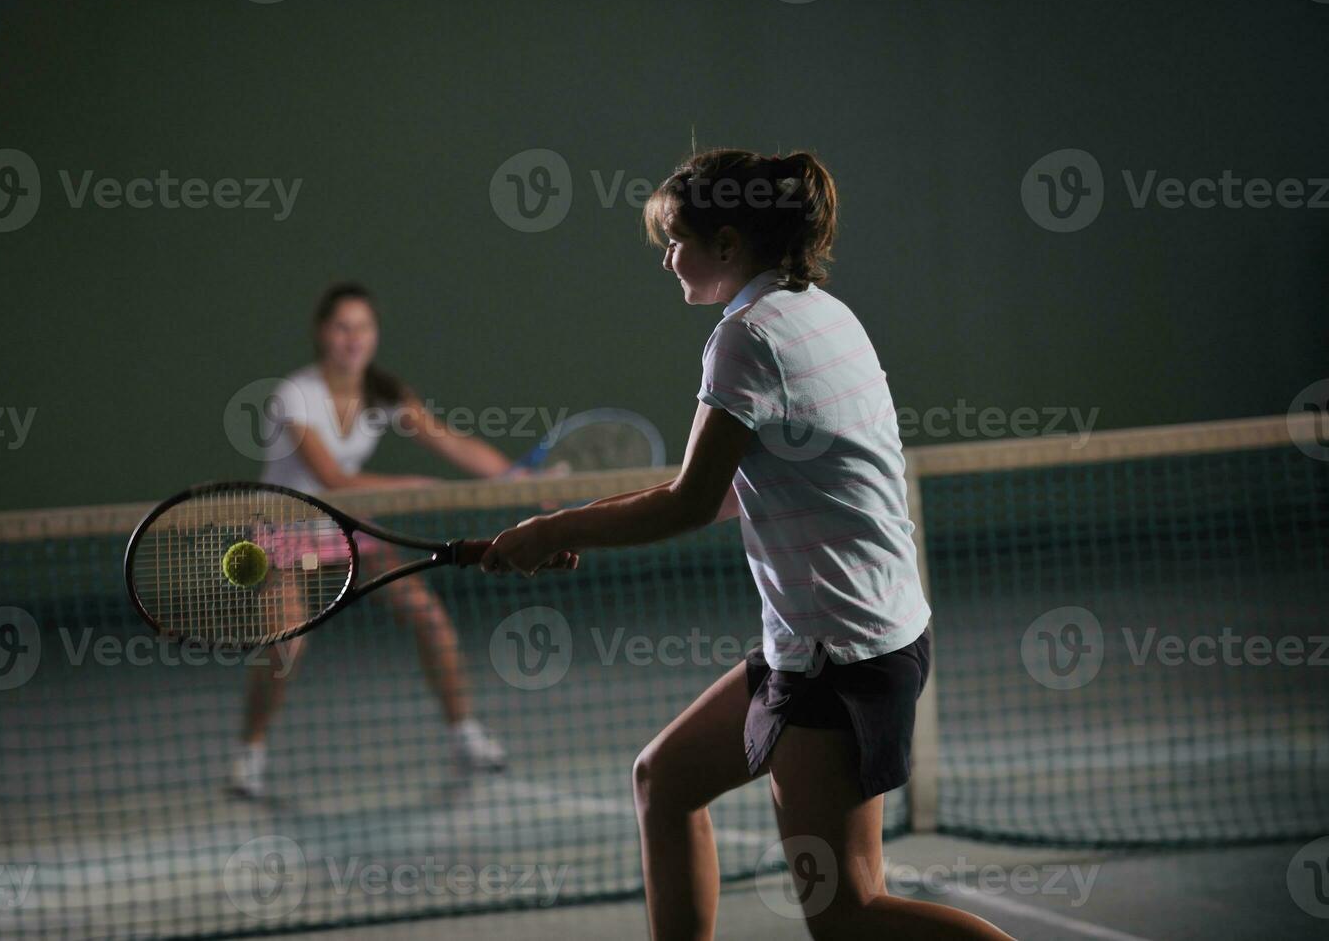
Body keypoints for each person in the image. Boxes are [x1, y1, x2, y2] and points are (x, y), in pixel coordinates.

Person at [479, 150, 1012, 939]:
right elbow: (736, 486)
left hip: (840, 658)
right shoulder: (820, 311)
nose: (667, 257)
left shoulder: (748, 337)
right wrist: (565, 524)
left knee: (850, 915)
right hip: (831, 640)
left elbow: (689, 502)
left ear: (727, 244)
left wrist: (554, 528)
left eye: (676, 238)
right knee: (664, 780)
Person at [230, 281, 515, 797]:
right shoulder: (295, 394)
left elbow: (449, 440)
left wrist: (516, 477)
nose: (353, 338)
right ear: (322, 333)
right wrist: (413, 486)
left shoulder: (383, 392)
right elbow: (331, 480)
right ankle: (249, 754)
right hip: (285, 531)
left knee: (428, 617)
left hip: (346, 531)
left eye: (362, 327)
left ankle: (465, 734)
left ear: (374, 335)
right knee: (286, 646)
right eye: (342, 327)